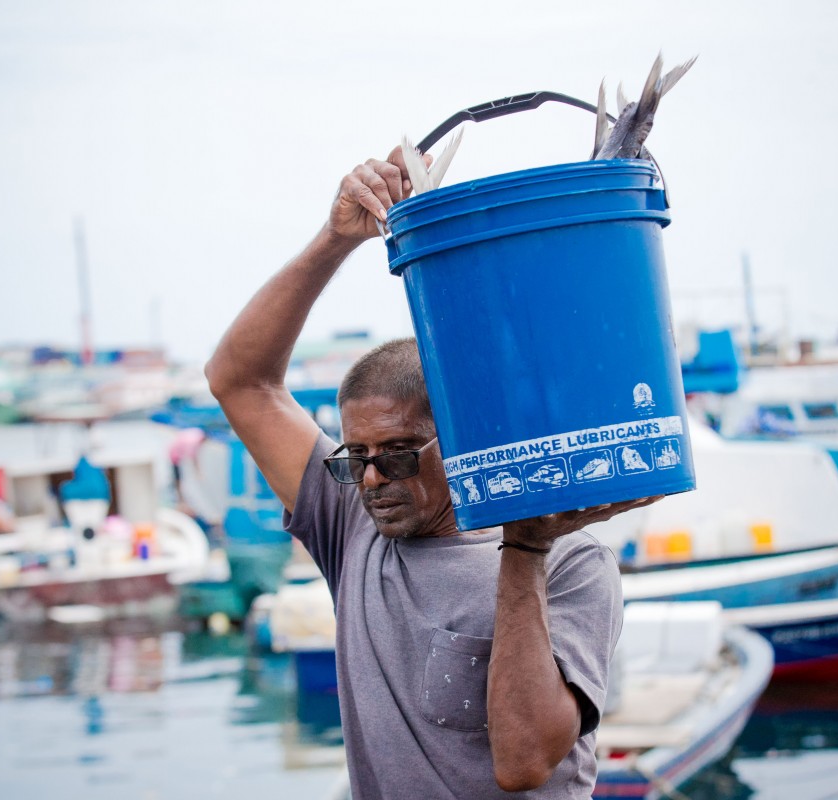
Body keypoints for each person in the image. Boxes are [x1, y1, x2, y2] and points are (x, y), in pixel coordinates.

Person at [206, 146, 658, 798]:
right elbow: (240, 381)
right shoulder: (355, 529)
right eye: (353, 460)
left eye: (394, 454)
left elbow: (525, 760)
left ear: (462, 437)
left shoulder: (570, 564)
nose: (369, 482)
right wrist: (335, 239)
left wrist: (525, 548)